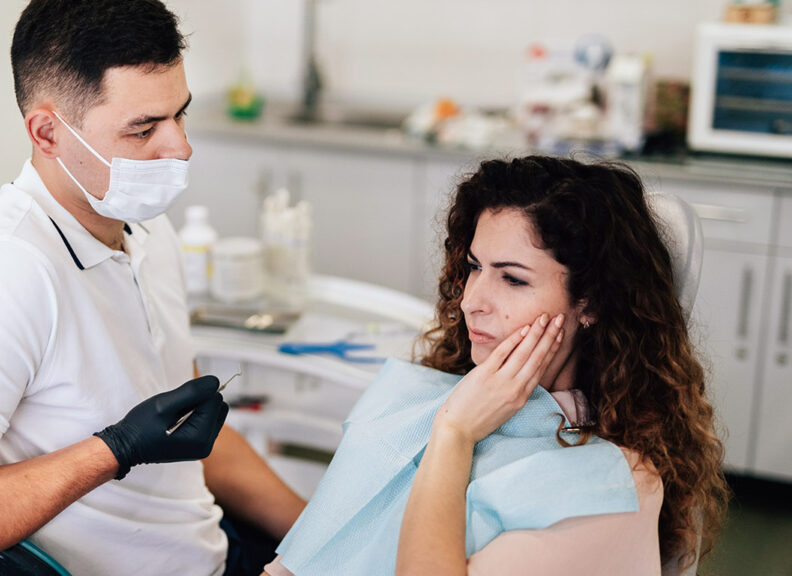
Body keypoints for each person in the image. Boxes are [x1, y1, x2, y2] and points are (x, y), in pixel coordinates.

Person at [0, 1, 305, 575]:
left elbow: (191, 437)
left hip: (212, 553)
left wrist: (319, 535)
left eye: (180, 115)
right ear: (48, 133)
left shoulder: (147, 230)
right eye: (144, 128)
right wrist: (114, 450)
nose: (180, 147)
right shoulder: (4, 273)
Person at [264, 156, 728, 576]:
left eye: (512, 279)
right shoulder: (424, 392)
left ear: (591, 301)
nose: (471, 301)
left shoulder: (613, 485)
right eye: (473, 267)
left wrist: (454, 434)